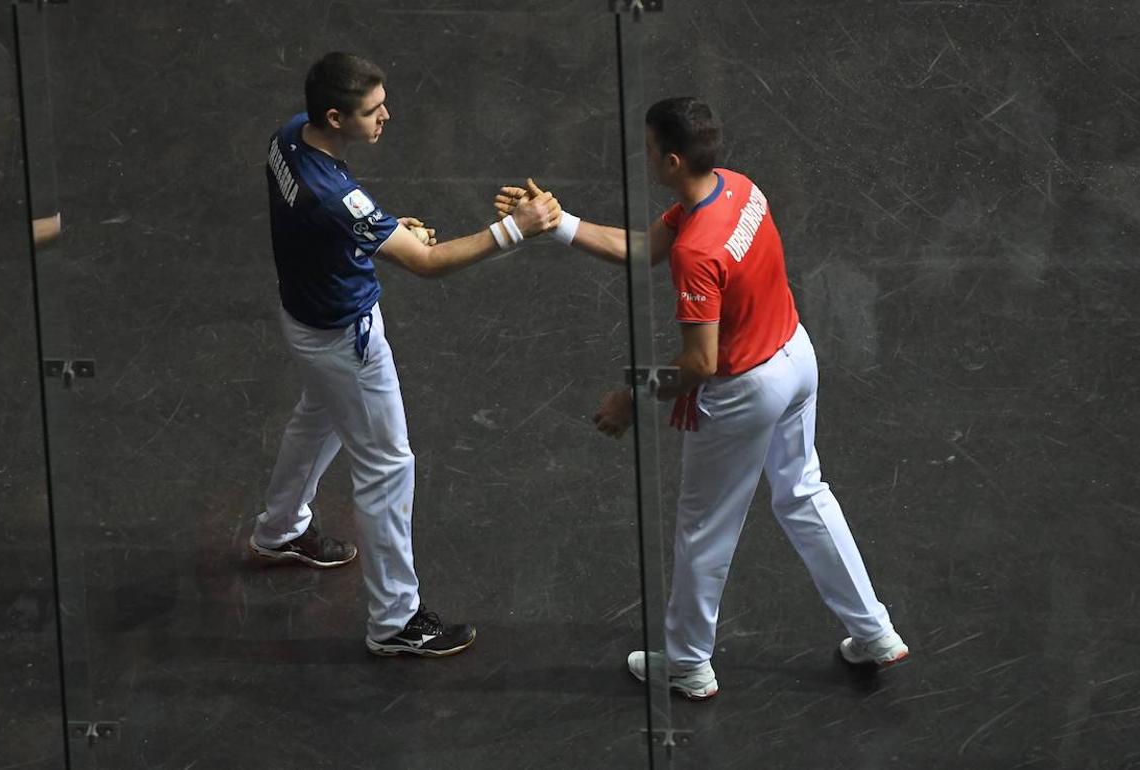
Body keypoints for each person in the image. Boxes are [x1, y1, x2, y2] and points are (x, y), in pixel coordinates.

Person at [495, 97, 907, 698]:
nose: (642, 156)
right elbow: (640, 248)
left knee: (705, 529)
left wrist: (630, 396)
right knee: (803, 493)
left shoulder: (698, 252)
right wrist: (556, 223)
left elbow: (700, 364)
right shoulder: (739, 189)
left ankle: (687, 662)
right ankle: (873, 632)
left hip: (747, 389)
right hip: (797, 357)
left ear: (669, 159)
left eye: (647, 148)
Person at [252, 51, 561, 658]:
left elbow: (335, 229)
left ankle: (279, 529)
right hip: (347, 340)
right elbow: (425, 263)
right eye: (373, 111)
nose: (387, 115)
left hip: (304, 318)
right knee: (388, 466)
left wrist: (379, 235)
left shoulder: (288, 136)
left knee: (319, 419)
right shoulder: (336, 196)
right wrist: (516, 228)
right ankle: (397, 620)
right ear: (337, 117)